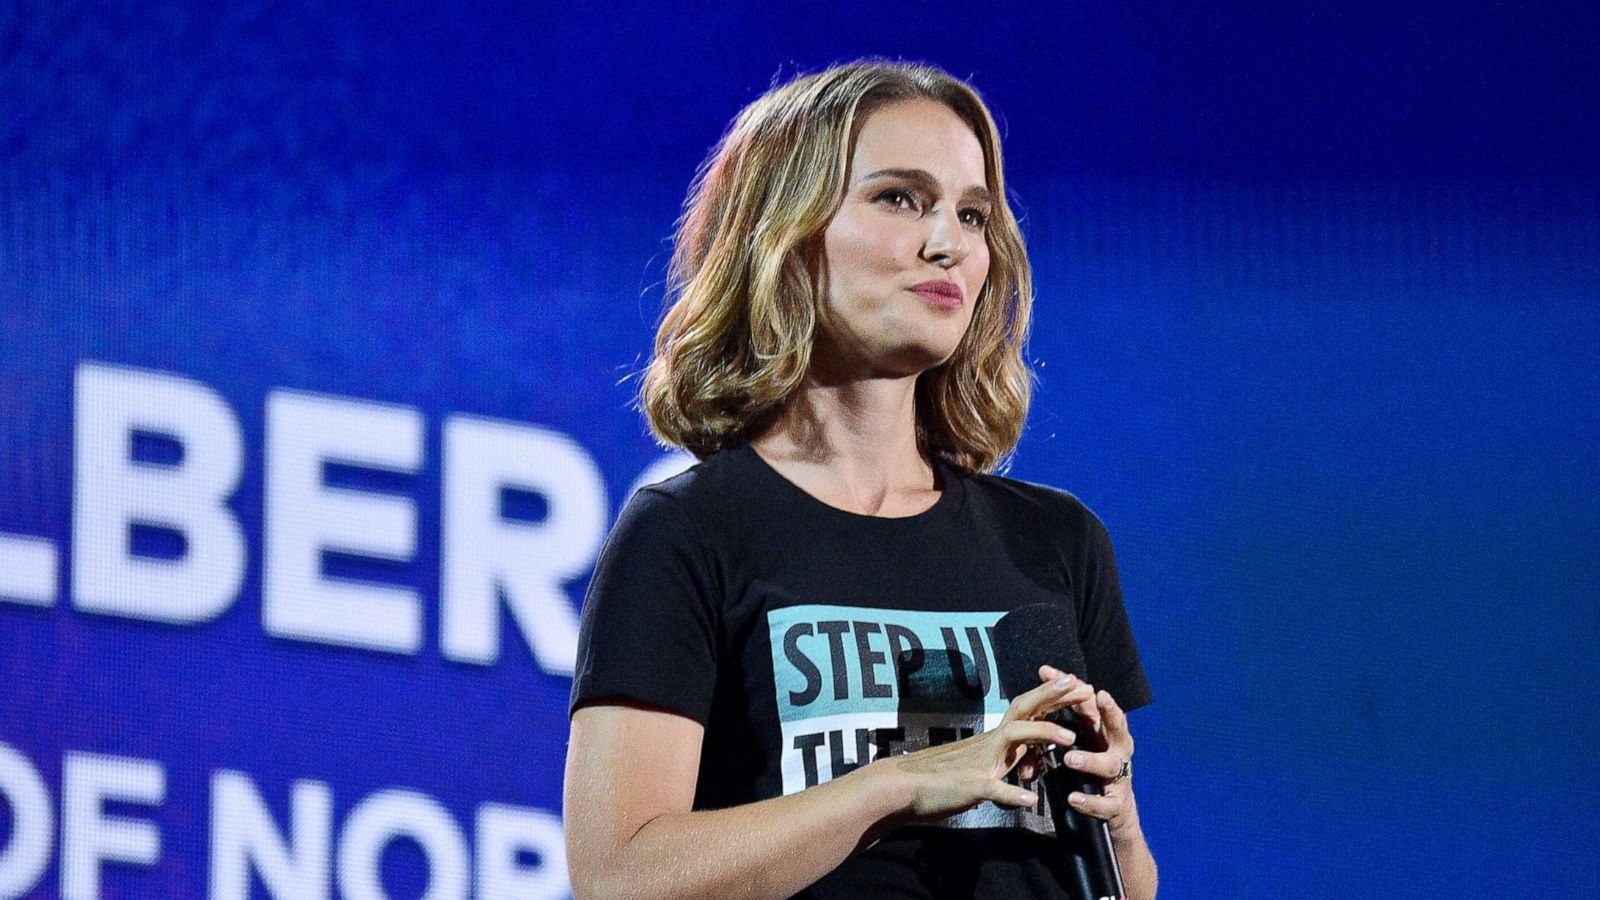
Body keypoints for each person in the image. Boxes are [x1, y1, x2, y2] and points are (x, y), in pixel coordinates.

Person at [565, 60, 1157, 899]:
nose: (947, 242)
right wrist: (902, 782)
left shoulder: (1055, 542)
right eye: (900, 199)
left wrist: (1119, 822)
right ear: (787, 232)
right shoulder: (689, 532)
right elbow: (619, 874)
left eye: (972, 213)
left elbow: (1122, 886)